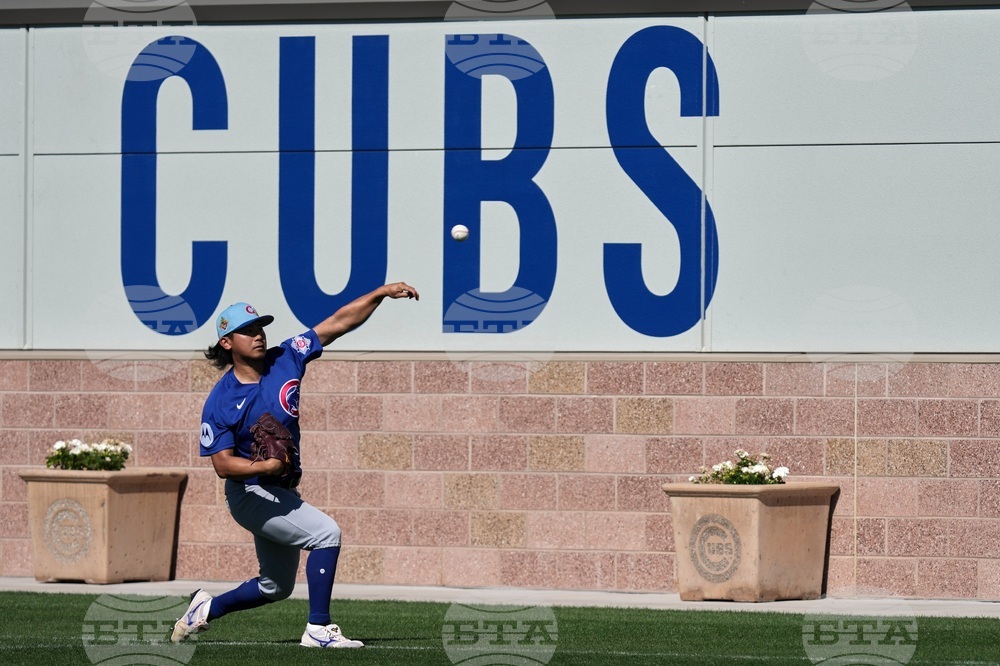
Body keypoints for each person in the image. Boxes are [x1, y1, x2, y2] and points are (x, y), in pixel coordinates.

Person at [171, 282, 419, 649]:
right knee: (326, 534)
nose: (258, 335)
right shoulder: (220, 401)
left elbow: (336, 323)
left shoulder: (285, 357)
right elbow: (223, 465)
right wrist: (267, 466)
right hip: (250, 492)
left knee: (275, 587)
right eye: (248, 331)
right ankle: (319, 629)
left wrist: (379, 294)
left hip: (279, 489)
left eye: (260, 328)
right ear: (227, 343)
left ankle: (205, 609)